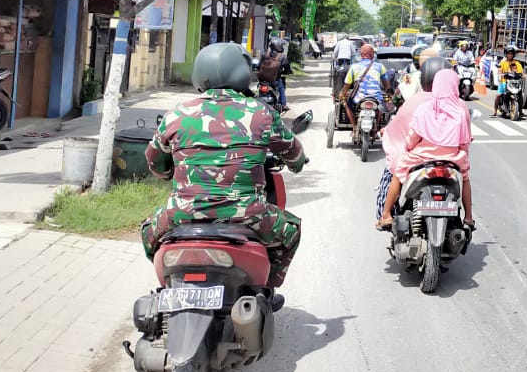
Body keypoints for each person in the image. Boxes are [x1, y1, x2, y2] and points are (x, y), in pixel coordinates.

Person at [141, 42, 307, 291]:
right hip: (247, 215)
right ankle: (267, 289)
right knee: (291, 231)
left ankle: (169, 284)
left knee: (147, 233)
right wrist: (296, 162)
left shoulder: (177, 114)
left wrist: (167, 173)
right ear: (242, 72)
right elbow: (294, 156)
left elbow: (156, 163)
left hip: (181, 214)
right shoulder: (261, 112)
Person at [375, 56, 474, 229]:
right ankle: (469, 218)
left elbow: (412, 135)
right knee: (465, 179)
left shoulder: (423, 106)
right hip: (453, 158)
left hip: (422, 157)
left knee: (398, 174)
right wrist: (462, 156)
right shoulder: (460, 108)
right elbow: (465, 140)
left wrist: (408, 148)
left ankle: (386, 214)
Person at [340, 43, 392, 133]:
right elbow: (386, 84)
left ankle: (354, 127)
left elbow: (347, 85)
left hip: (359, 98)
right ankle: (376, 127)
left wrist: (343, 95)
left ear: (361, 54)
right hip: (375, 98)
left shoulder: (354, 67)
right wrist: (389, 94)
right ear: (372, 55)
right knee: (381, 105)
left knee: (347, 104)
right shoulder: (380, 67)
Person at [494, 45, 525, 118]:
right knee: (498, 95)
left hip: (514, 82)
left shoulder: (517, 63)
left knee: (520, 95)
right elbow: (500, 69)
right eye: (508, 53)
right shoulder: (503, 62)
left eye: (511, 53)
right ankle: (495, 111)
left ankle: (520, 111)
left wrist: (523, 75)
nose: (510, 55)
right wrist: (500, 73)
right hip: (504, 81)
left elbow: (521, 71)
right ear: (506, 54)